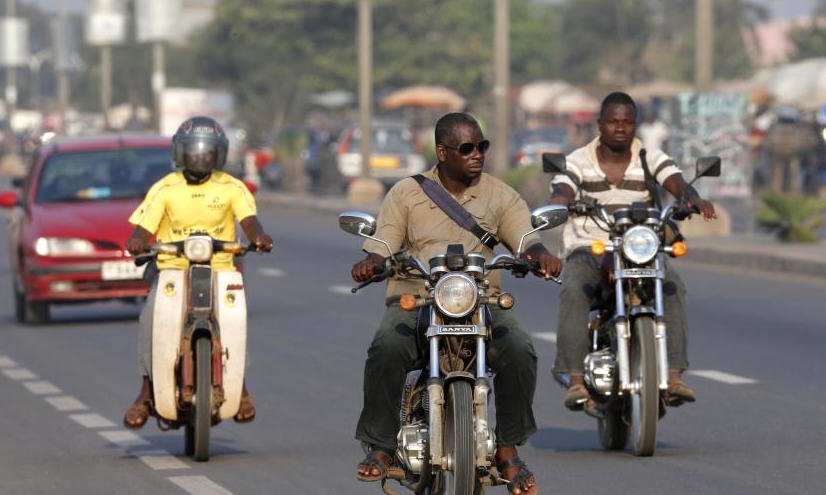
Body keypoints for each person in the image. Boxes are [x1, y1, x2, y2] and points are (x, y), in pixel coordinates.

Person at [351, 113, 561, 495]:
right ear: (443, 152)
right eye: (467, 148)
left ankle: (508, 450)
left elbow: (525, 237)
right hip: (417, 300)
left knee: (520, 349)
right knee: (386, 347)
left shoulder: (499, 194)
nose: (477, 155)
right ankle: (380, 446)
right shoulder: (406, 193)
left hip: (482, 300)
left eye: (482, 146)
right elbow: (384, 242)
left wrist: (539, 254)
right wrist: (374, 262)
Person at [549, 92, 715, 410]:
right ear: (600, 124)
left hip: (640, 245)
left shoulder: (650, 157)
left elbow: (676, 182)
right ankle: (574, 380)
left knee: (672, 286)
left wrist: (691, 198)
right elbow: (563, 186)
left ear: (635, 125)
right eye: (613, 121)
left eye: (626, 121)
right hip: (591, 247)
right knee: (573, 287)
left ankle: (675, 376)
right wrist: (561, 200)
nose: (620, 128)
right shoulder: (578, 160)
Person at [122, 116, 273, 429]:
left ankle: (240, 388)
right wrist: (137, 241)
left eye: (206, 151)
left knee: (234, 320)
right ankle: (146, 392)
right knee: (151, 317)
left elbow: (249, 221)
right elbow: (143, 228)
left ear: (218, 154)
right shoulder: (164, 188)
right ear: (180, 153)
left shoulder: (233, 187)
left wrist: (259, 236)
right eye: (192, 151)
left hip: (220, 268)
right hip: (171, 269)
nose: (200, 157)